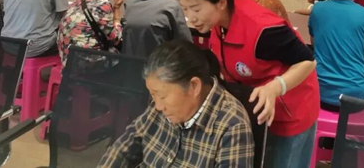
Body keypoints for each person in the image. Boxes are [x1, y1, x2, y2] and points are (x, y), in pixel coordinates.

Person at [175, 0, 319, 168]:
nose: (191, 17)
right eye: (185, 9)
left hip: (289, 110)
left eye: (196, 9)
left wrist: (274, 88)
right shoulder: (217, 23)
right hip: (253, 109)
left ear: (221, 3)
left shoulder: (262, 29)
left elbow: (308, 61)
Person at [99, 40, 254, 168]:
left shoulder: (231, 124)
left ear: (194, 86)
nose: (158, 106)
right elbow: (125, 146)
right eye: (153, 95)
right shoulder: (161, 103)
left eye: (162, 96)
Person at [58, 0, 125, 66]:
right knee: (123, 57)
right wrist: (117, 16)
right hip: (85, 63)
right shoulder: (102, 4)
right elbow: (115, 39)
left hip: (67, 58)